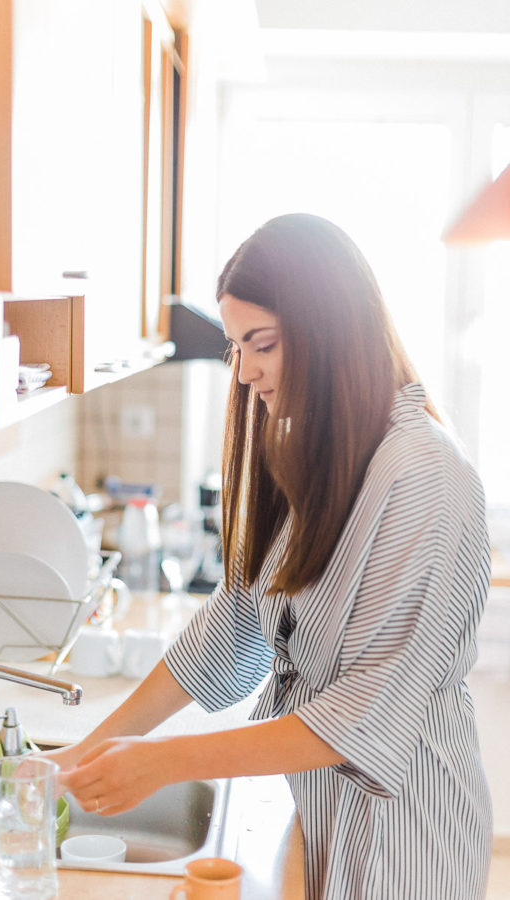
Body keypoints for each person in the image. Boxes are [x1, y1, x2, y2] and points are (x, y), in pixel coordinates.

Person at [49, 214, 493, 899]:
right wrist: (88, 753)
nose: (245, 371)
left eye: (263, 345)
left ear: (332, 330)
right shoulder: (319, 448)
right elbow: (235, 624)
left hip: (404, 831)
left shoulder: (425, 476)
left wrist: (162, 762)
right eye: (236, 347)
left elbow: (367, 713)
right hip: (314, 810)